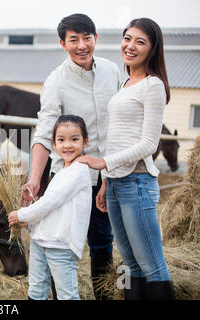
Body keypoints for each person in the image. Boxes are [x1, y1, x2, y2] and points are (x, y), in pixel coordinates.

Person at [21, 13, 122, 299]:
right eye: (73, 40)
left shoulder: (112, 71)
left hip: (105, 174)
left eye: (87, 38)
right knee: (56, 242)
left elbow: (118, 124)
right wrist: (34, 181)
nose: (81, 45)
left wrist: (109, 174)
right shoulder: (56, 82)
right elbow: (43, 135)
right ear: (63, 44)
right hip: (65, 179)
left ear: (96, 39)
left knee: (103, 242)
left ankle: (104, 295)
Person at [77, 18, 175, 300]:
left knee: (152, 266)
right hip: (118, 185)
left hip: (138, 184)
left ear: (153, 50)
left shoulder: (152, 85)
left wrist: (102, 163)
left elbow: (147, 144)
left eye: (140, 41)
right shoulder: (126, 83)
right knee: (130, 265)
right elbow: (118, 138)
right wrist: (107, 182)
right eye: (127, 38)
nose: (130, 46)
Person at [9, 115, 91, 300]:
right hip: (41, 241)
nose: (67, 145)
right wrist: (32, 225)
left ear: (86, 141)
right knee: (36, 290)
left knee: (66, 294)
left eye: (74, 139)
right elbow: (52, 208)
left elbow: (50, 202)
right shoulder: (62, 172)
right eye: (61, 140)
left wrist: (23, 215)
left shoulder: (79, 171)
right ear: (54, 144)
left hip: (61, 245)